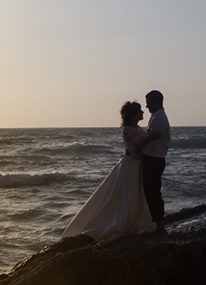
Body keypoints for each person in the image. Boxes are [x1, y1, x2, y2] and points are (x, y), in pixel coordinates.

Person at [60, 101, 154, 240]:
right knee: (128, 195)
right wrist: (150, 139)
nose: (143, 112)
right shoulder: (127, 129)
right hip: (130, 166)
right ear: (134, 114)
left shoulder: (137, 128)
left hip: (138, 165)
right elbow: (133, 150)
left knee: (138, 194)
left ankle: (139, 220)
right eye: (140, 110)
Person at [140, 90, 170, 235]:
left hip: (153, 160)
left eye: (148, 103)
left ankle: (160, 227)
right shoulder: (156, 117)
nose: (146, 107)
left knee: (153, 193)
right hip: (154, 159)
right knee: (151, 193)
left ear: (156, 102)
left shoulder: (158, 120)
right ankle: (155, 224)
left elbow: (150, 144)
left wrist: (138, 150)